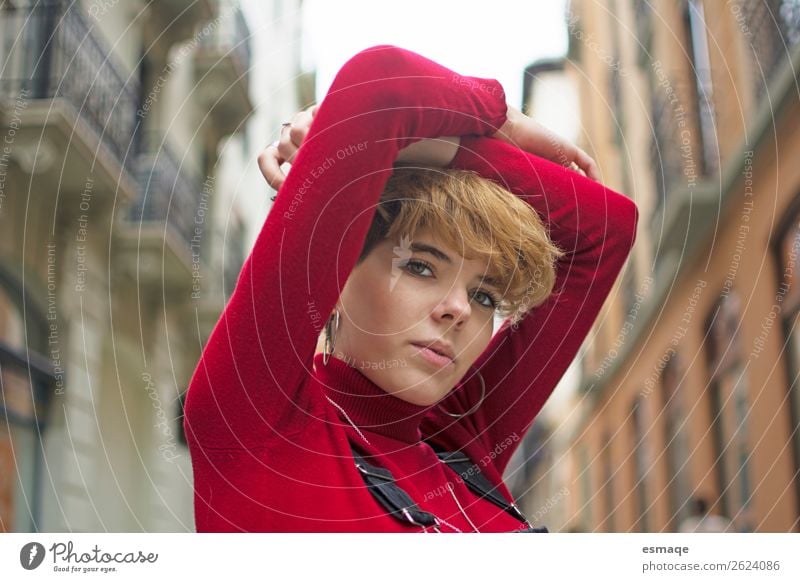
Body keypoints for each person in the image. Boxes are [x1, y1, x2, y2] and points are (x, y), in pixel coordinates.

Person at [183, 45, 639, 532]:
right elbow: (378, 87)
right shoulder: (257, 421)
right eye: (421, 266)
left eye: (485, 295)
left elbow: (606, 226)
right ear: (337, 275)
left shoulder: (461, 446)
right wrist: (501, 119)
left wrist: (413, 147)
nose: (460, 309)